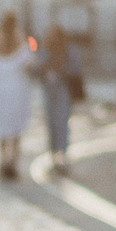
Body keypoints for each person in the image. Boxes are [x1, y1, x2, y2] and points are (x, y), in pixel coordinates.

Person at [0, 12, 34, 180]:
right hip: (17, 90)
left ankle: (4, 161)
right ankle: (13, 164)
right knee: (16, 129)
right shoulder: (22, 46)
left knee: (3, 130)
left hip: (0, 91)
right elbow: (29, 66)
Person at [40, 24, 75, 175]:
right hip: (49, 90)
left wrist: (62, 69)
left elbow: (75, 70)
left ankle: (62, 156)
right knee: (51, 123)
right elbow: (37, 69)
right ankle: (55, 155)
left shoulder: (68, 51)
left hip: (62, 90)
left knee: (61, 123)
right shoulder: (45, 51)